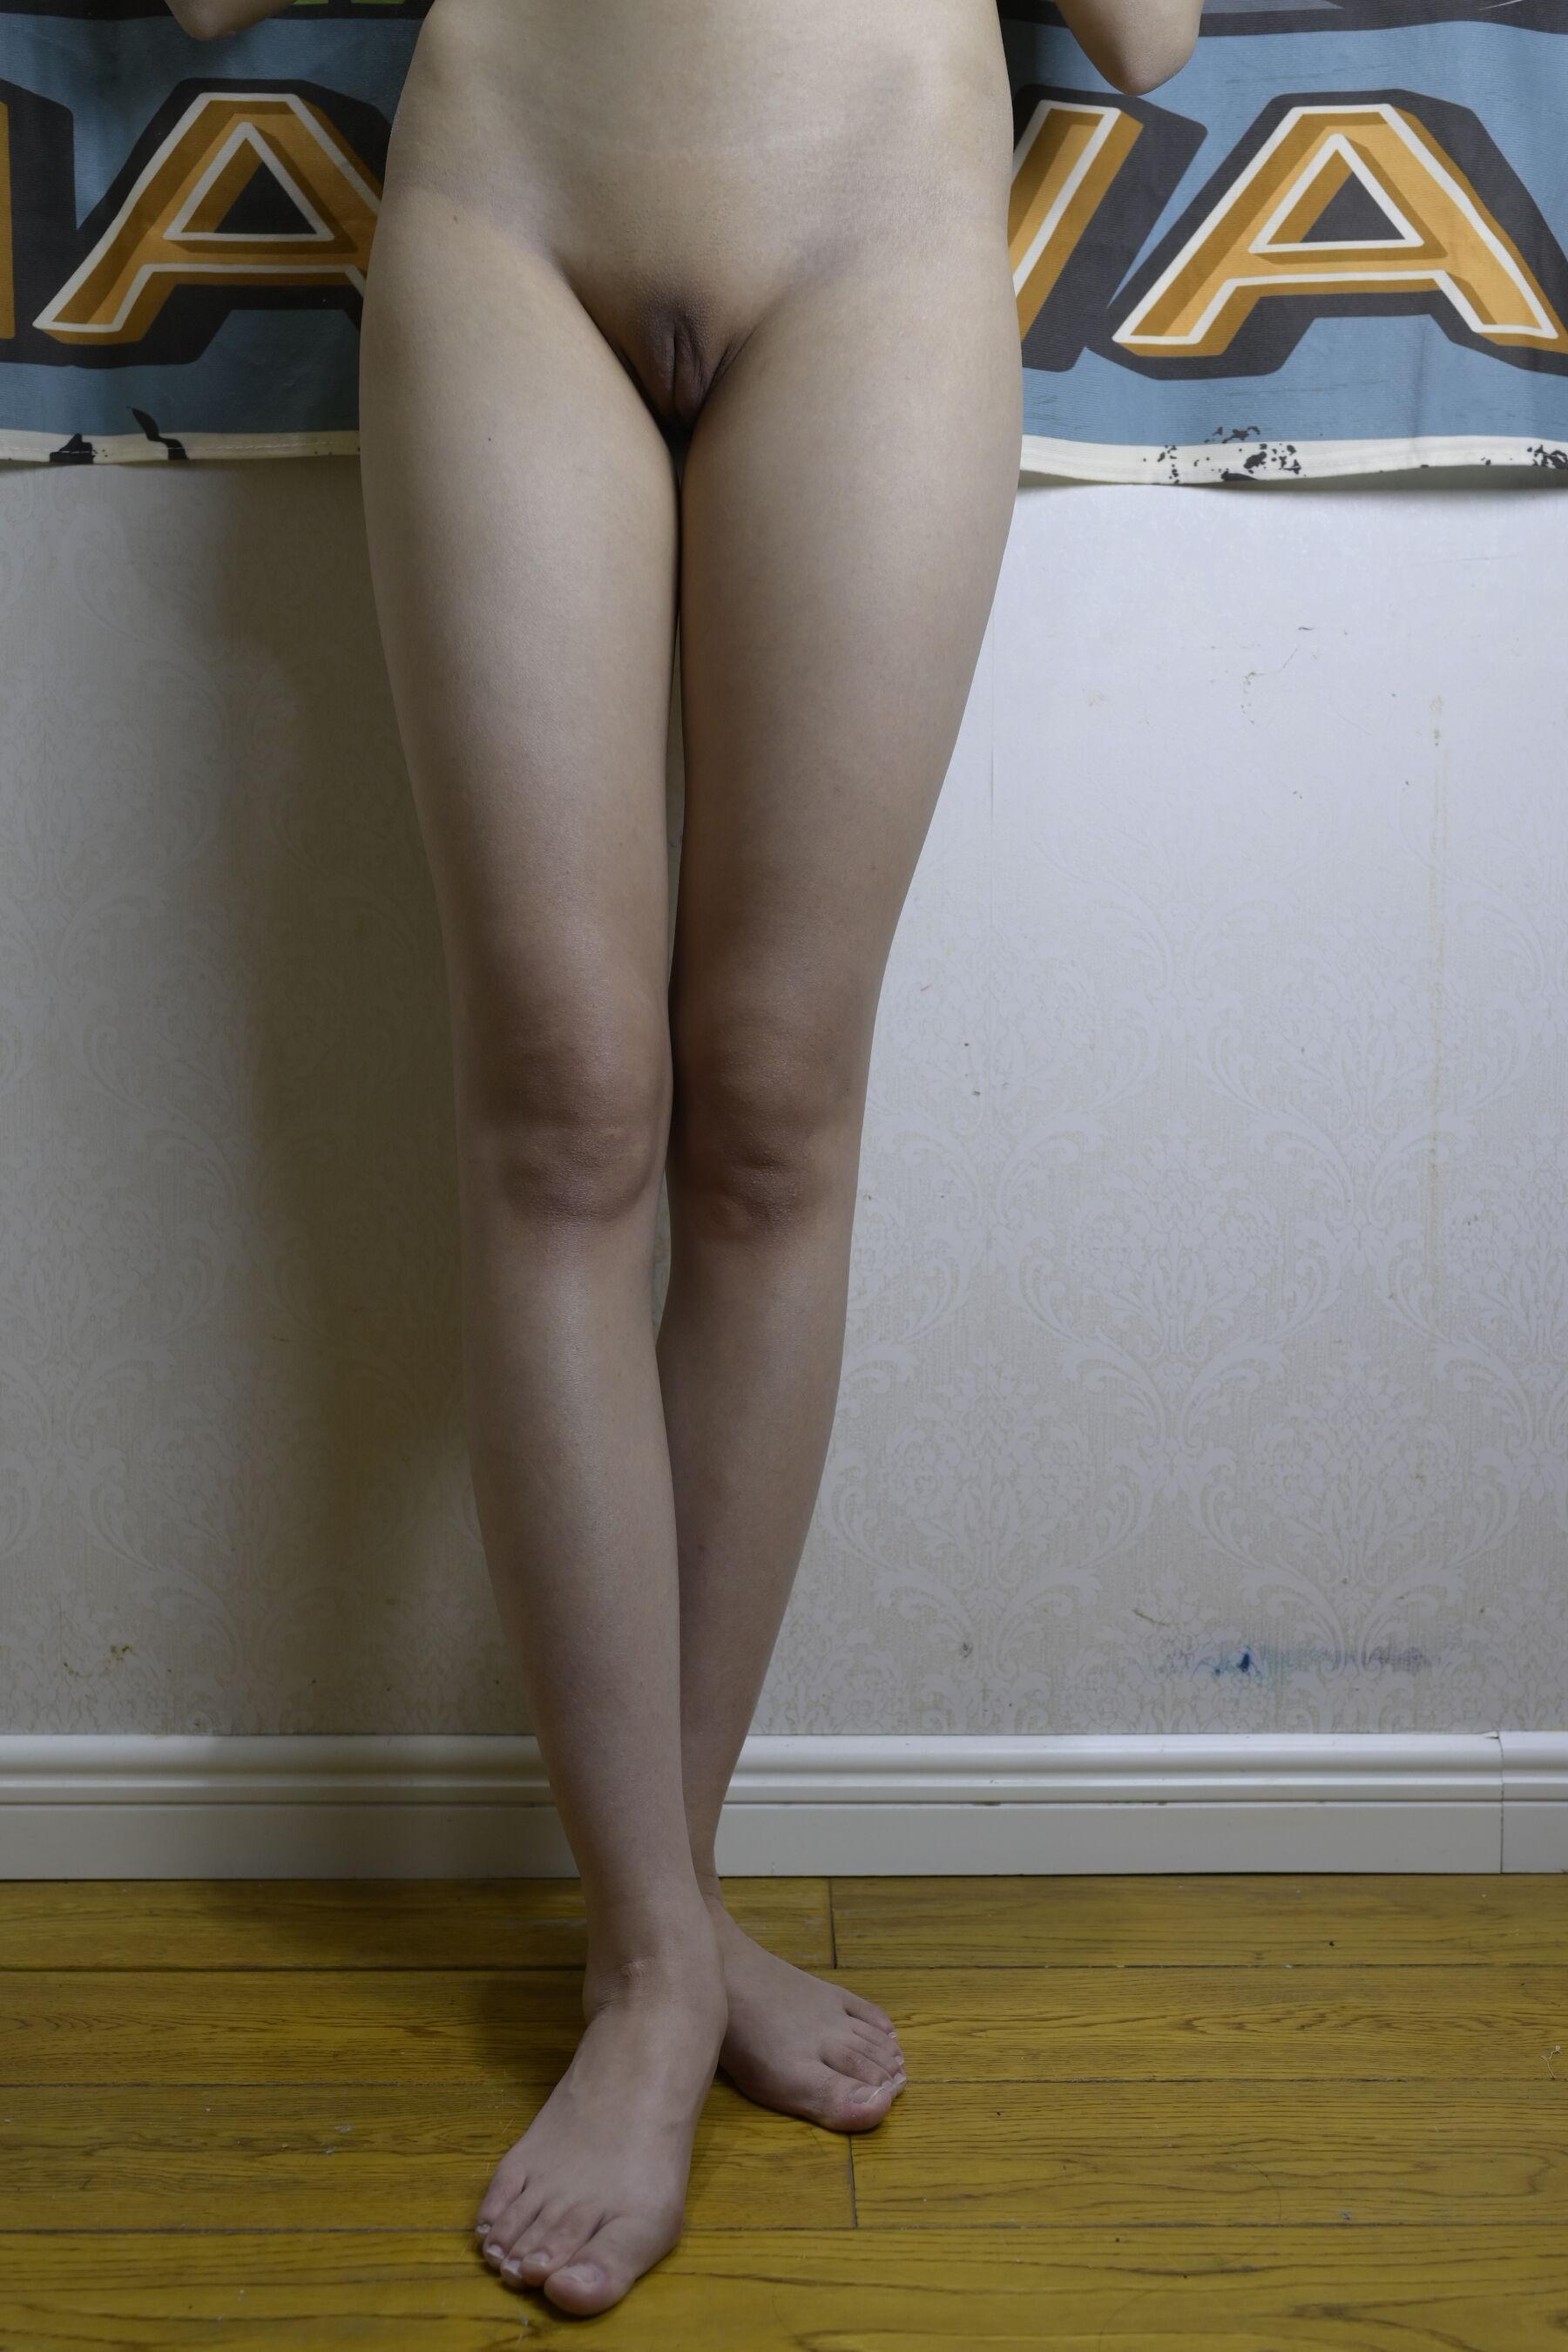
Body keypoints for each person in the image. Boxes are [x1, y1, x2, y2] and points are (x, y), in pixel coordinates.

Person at [166, 0, 1201, 2316]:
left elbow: (1148, 38)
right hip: (512, 211)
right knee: (563, 1102)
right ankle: (655, 1953)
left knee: (774, 1102)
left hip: (876, 232)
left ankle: (670, 1906)